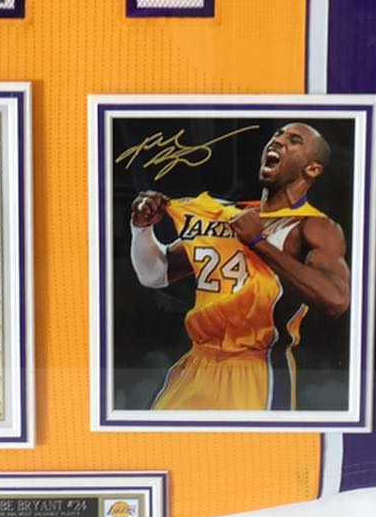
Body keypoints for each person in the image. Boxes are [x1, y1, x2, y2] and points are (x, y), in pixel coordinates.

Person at [130, 124, 348, 412]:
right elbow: (155, 275)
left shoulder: (315, 226)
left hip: (256, 368)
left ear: (312, 169)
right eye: (277, 135)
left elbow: (336, 300)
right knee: (155, 439)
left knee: (242, 443)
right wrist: (142, 230)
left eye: (294, 140)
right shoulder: (226, 215)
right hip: (195, 364)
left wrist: (259, 243)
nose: (278, 141)